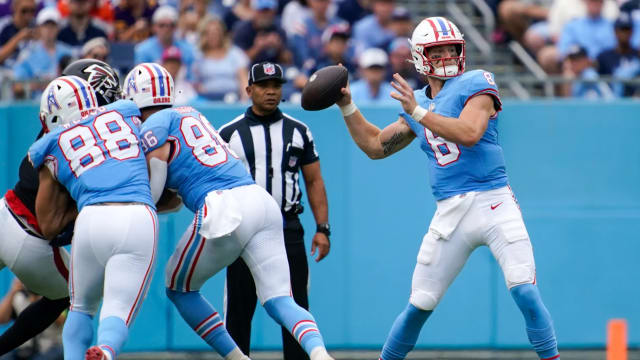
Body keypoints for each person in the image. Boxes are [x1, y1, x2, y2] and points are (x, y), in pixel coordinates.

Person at [334, 16, 560, 360]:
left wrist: (419, 113)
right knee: (419, 304)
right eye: (436, 50)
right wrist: (347, 105)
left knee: (524, 289)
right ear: (419, 56)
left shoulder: (476, 83)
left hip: (494, 201)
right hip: (450, 212)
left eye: (450, 48)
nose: (445, 56)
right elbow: (376, 146)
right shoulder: (418, 104)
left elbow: (469, 134)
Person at [125, 62, 334, 360]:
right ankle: (320, 353)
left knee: (178, 286)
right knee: (280, 299)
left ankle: (237, 358)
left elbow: (155, 187)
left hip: (226, 208)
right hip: (261, 203)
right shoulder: (192, 114)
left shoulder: (153, 126)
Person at [28, 75, 157, 360]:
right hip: (137, 214)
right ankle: (107, 351)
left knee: (80, 307)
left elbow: (48, 224)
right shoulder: (126, 109)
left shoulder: (47, 144)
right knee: (119, 306)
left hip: (90, 219)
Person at [0, 58, 123, 357]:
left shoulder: (55, 126)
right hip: (32, 238)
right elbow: (53, 223)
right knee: (73, 295)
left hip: (4, 210)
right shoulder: (87, 134)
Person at [218, 61, 331, 360]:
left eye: (276, 86)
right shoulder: (228, 133)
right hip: (243, 230)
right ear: (249, 89)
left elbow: (314, 180)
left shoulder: (299, 131)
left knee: (295, 305)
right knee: (239, 311)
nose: (270, 92)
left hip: (287, 227)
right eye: (264, 86)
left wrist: (322, 228)